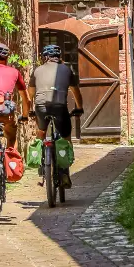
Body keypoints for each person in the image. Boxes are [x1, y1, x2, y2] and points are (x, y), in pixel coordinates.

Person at [28, 43, 84, 187]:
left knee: (41, 131)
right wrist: (79, 108)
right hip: (60, 107)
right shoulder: (66, 69)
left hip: (41, 107)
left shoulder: (37, 70)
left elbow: (30, 94)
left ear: (44, 57)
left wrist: (30, 110)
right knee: (65, 137)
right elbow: (75, 91)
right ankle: (64, 171)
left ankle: (41, 161)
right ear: (59, 57)